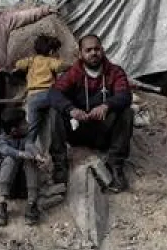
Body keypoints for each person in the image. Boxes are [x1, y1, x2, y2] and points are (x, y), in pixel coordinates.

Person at [47, 34, 133, 193]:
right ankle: (60, 165)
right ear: (80, 54)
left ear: (102, 50)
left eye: (97, 49)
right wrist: (71, 109)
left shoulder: (114, 71)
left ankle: (115, 165)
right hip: (78, 130)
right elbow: (54, 93)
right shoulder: (74, 72)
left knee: (126, 112)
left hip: (103, 131)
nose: (93, 53)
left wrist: (107, 105)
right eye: (88, 50)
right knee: (55, 111)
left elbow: (125, 95)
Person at [0, 108, 46, 227]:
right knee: (11, 159)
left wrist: (37, 155)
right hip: (2, 184)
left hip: (21, 187)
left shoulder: (24, 137)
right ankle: (1, 203)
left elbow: (30, 145)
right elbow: (6, 150)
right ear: (14, 130)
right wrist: (21, 154)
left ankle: (32, 203)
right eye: (24, 123)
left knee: (29, 160)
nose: (28, 124)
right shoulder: (0, 140)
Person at [13, 34, 66, 150]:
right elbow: (60, 66)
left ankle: (29, 144)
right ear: (52, 51)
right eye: (57, 51)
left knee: (33, 125)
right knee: (62, 107)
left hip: (32, 97)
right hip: (48, 93)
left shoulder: (31, 60)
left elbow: (18, 64)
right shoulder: (50, 61)